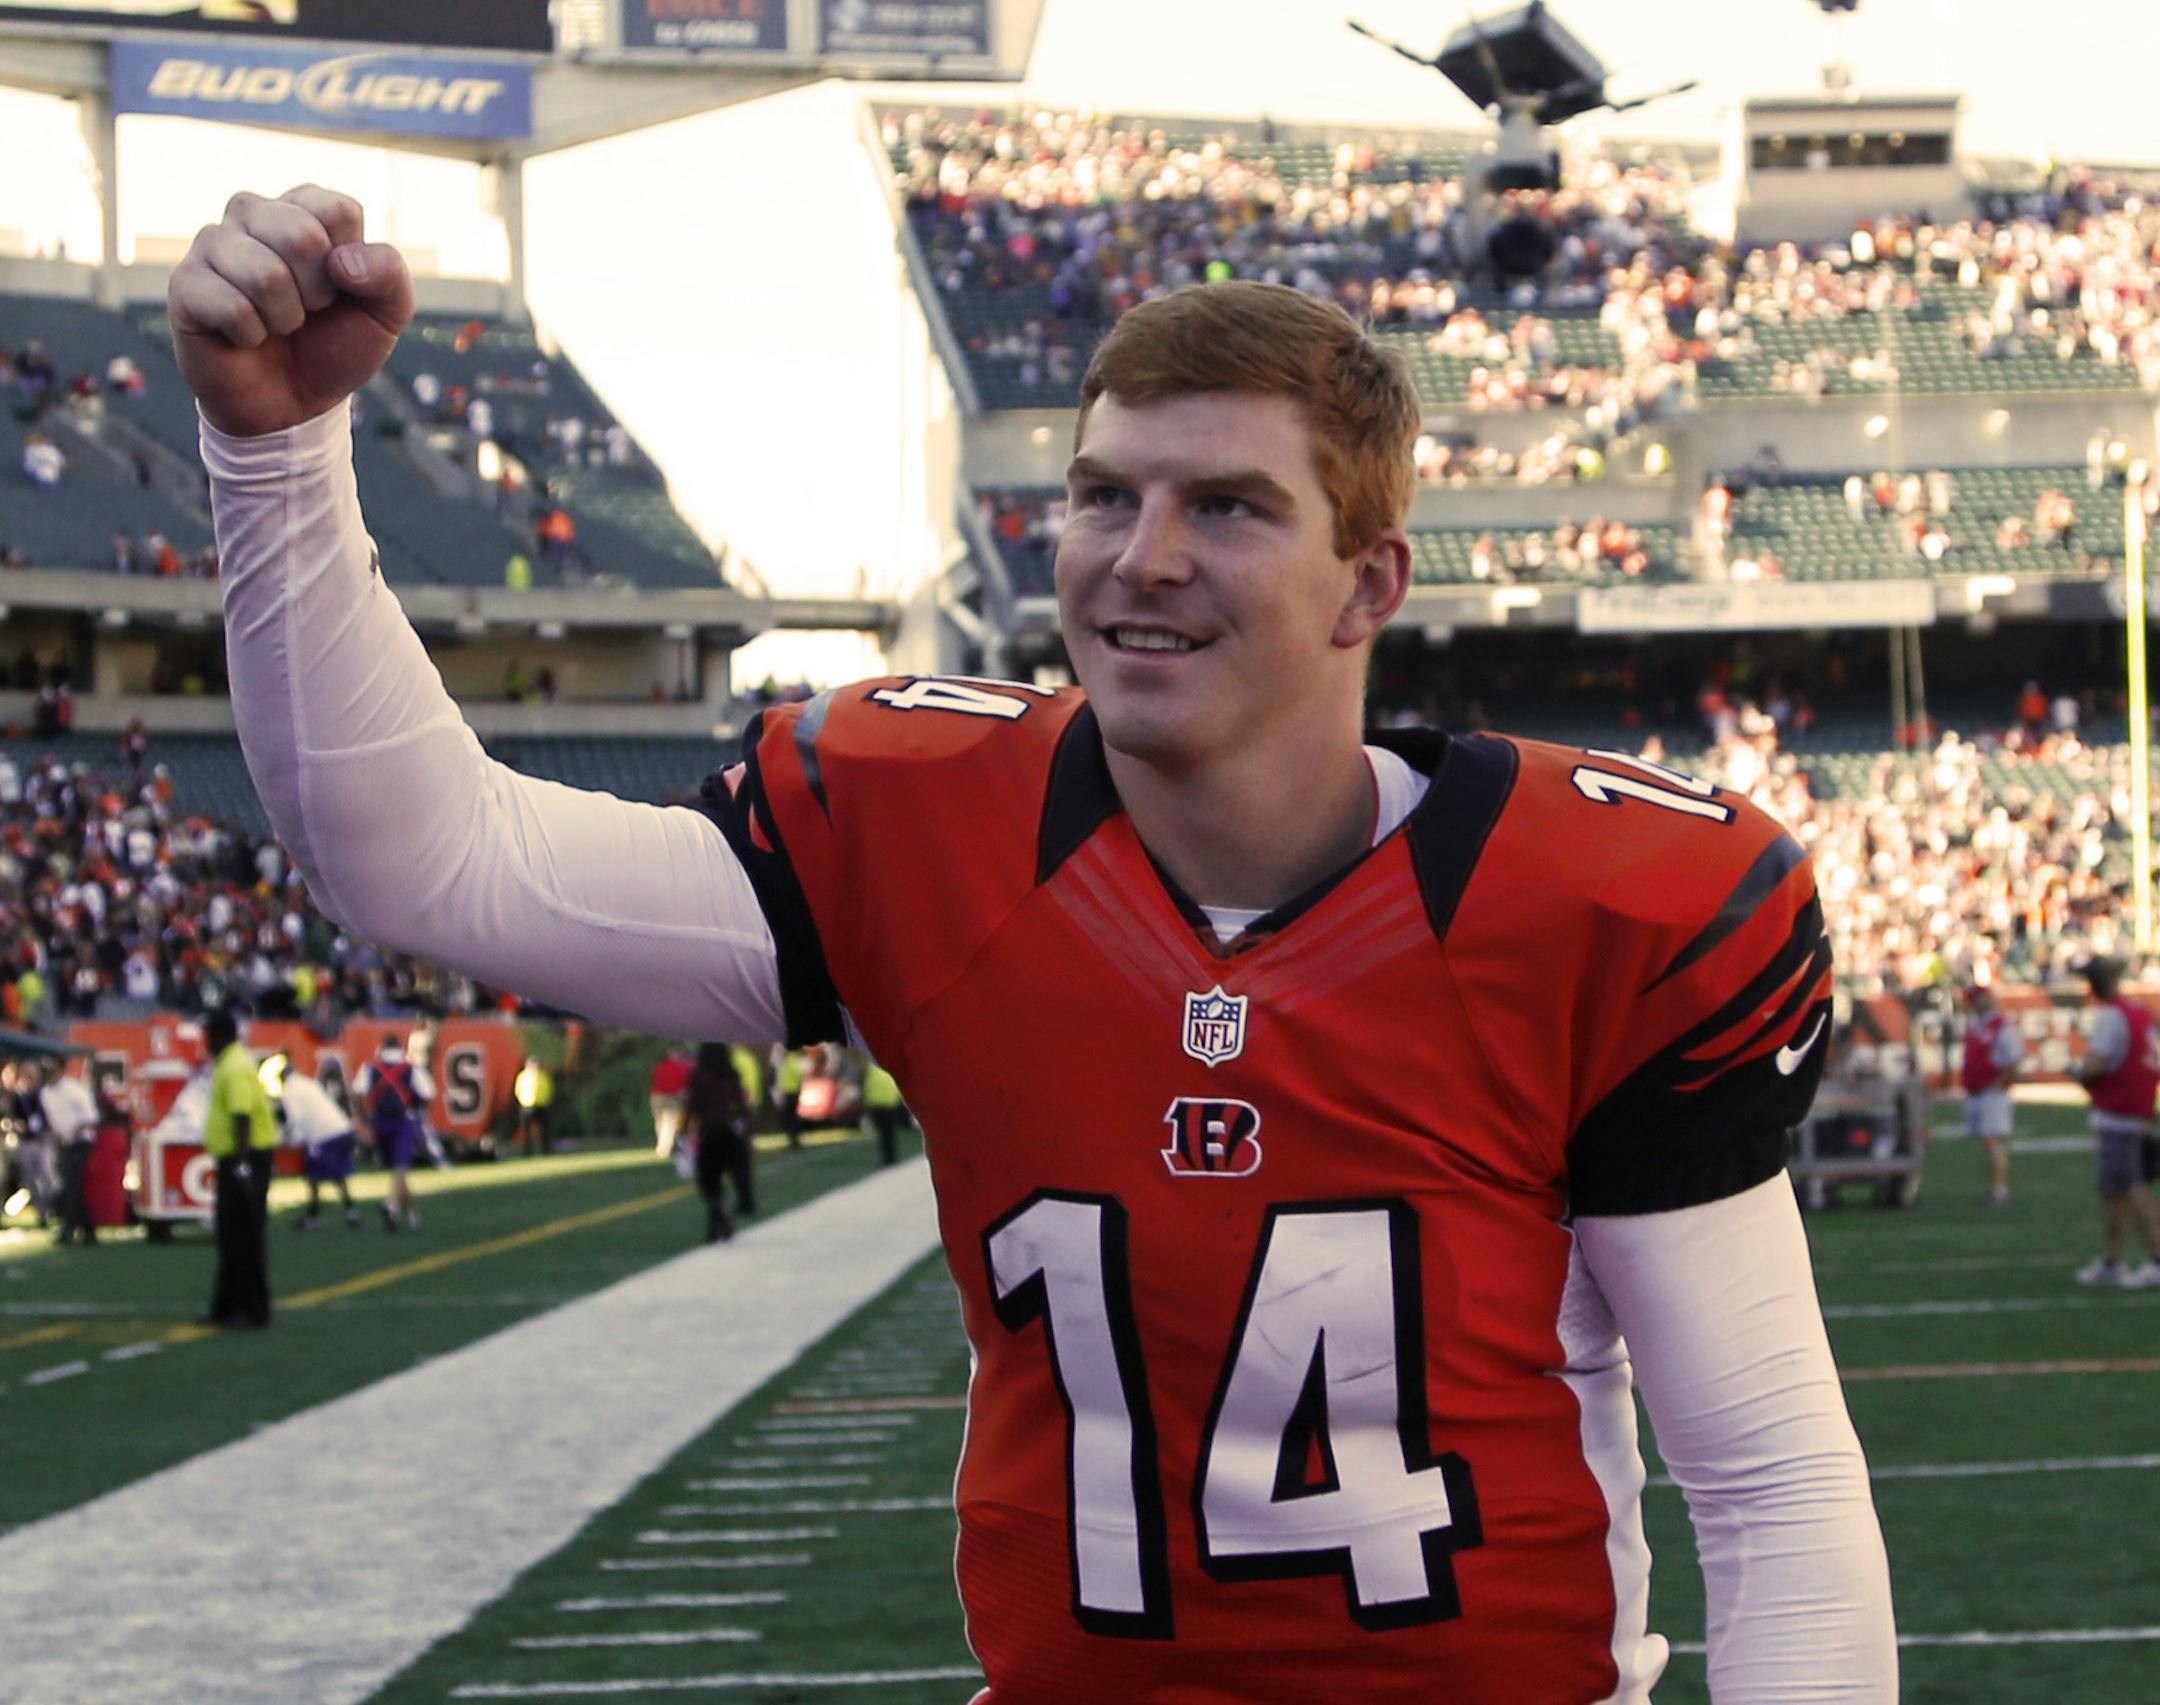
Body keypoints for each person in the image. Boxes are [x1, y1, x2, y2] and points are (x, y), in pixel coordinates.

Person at [171, 190, 1895, 1700]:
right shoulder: (930, 826)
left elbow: (1767, 1478)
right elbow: (430, 865)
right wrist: (274, 448)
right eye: (1100, 496)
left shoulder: (1600, 906)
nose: (1139, 560)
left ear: (1368, 587)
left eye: (1225, 506)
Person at [2071, 959, 2160, 1287]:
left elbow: (2095, 1065)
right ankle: (2113, 1260)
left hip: (2118, 1112)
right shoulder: (2138, 1011)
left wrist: (2078, 1074)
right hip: (2136, 1108)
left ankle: (2155, 1259)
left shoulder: (2112, 1015)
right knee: (2115, 1191)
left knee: (2131, 1186)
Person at [200, 1008, 275, 1327]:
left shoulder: (234, 1067)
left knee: (243, 1235)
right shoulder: (231, 1064)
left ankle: (252, 1309)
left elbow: (242, 1116)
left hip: (244, 1159)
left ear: (218, 1035)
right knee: (231, 1235)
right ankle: (227, 1306)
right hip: (237, 1159)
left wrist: (242, 1168)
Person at [354, 1035, 432, 1231]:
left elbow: (357, 1092)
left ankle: (412, 1216)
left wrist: (365, 1118)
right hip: (402, 1120)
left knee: (397, 1170)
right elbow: (428, 1093)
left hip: (379, 1121)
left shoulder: (370, 1067)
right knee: (401, 1167)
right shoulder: (409, 1067)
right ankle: (392, 1204)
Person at [1958, 981, 2023, 1206]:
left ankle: (2000, 1190)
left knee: (1992, 1140)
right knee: (1987, 1141)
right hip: (1977, 1090)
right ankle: (1996, 1188)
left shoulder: (2001, 1026)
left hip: (1991, 1092)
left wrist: (2000, 1081)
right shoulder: (1978, 1026)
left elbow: (2014, 1060)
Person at [276, 1057, 361, 1229]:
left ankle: (313, 1215)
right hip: (341, 1129)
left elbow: (296, 1118)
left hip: (323, 1135)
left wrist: (285, 1137)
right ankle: (351, 1210)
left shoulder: (290, 1090)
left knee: (313, 1176)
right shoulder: (309, 1083)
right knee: (339, 1174)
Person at [685, 1041, 749, 1244]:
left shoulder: (699, 1075)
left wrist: (684, 1131)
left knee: (710, 1182)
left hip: (709, 1133)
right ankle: (718, 1223)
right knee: (734, 1173)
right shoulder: (731, 1073)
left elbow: (692, 1105)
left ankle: (716, 1221)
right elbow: (741, 1104)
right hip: (729, 1131)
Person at [37, 1061, 101, 1246]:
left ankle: (69, 1229)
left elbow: (91, 1118)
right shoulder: (46, 1093)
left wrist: (73, 1131)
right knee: (70, 1185)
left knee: (71, 1183)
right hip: (64, 1143)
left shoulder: (75, 1090)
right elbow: (53, 1120)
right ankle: (88, 1230)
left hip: (81, 1141)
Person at [861, 1056, 907, 1167]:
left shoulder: (872, 1064)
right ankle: (890, 1158)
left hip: (879, 1101)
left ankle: (889, 1158)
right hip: (886, 1101)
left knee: (886, 1133)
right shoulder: (888, 1063)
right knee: (888, 1133)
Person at [649, 1045, 691, 1158]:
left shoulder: (659, 1067)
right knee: (669, 1123)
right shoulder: (680, 1067)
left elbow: (654, 1081)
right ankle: (663, 1149)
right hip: (672, 1098)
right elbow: (685, 1084)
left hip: (656, 1097)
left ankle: (663, 1145)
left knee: (660, 1123)